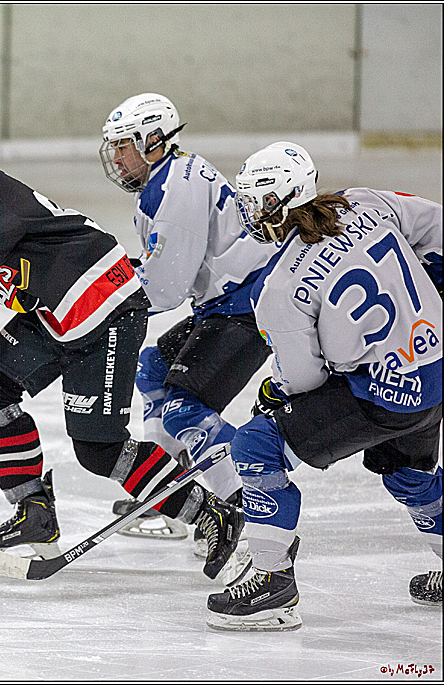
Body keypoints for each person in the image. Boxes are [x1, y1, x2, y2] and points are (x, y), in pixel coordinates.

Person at [0, 128, 245, 582]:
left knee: (100, 449)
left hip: (105, 309)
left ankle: (211, 514)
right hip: (57, 317)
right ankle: (34, 514)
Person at [206, 141, 443, 631]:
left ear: (277, 203)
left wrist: (274, 392)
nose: (250, 213)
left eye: (255, 201)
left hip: (380, 395)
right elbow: (436, 223)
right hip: (435, 371)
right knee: (407, 473)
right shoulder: (363, 201)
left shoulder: (278, 290)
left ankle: (272, 581)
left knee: (254, 444)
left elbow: (305, 378)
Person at [98, 94, 275, 546]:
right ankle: (169, 492)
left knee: (184, 410)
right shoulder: (170, 175)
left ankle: (240, 507)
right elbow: (167, 267)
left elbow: (167, 287)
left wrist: (100, 307)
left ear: (152, 140)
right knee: (155, 369)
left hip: (250, 306)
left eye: (124, 146)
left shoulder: (177, 190)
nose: (116, 158)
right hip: (226, 303)